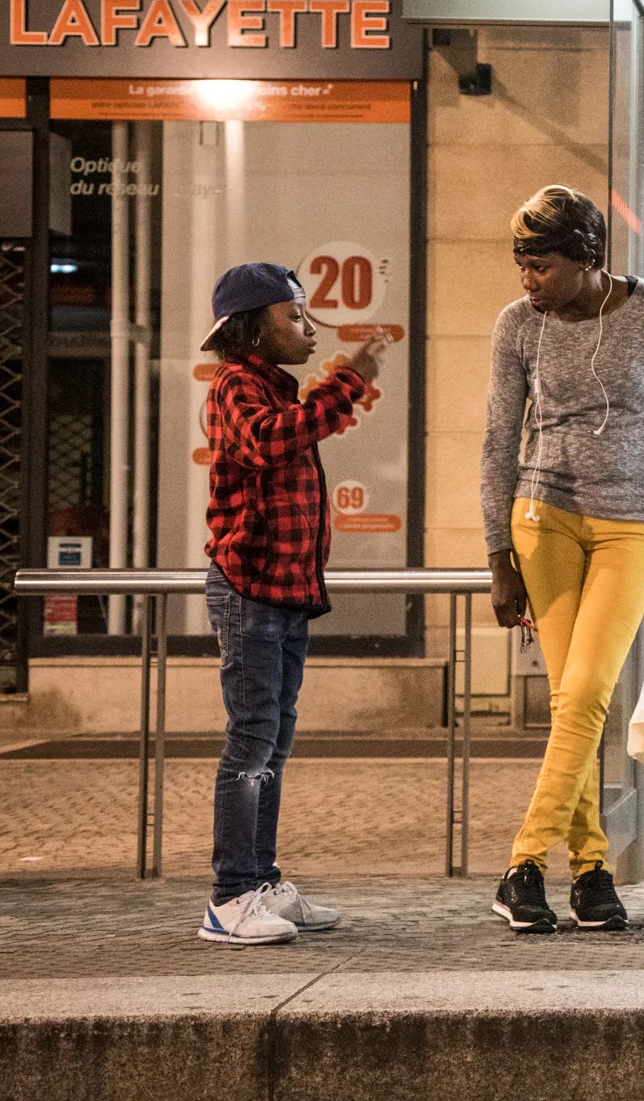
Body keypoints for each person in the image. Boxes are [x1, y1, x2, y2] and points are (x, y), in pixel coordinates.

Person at [482, 184, 644, 933]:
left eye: (540, 265)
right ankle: (591, 873)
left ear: (586, 258)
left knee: (585, 693)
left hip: (629, 526)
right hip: (541, 521)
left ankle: (521, 861)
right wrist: (496, 554)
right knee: (573, 700)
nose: (527, 279)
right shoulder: (517, 326)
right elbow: (496, 442)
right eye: (521, 264)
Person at [197, 262, 386, 944]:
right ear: (252, 329)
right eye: (295, 317)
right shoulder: (233, 389)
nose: (309, 329)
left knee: (272, 740)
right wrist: (349, 382)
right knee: (250, 740)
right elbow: (278, 442)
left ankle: (261, 880)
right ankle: (229, 897)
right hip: (249, 592)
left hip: (284, 595)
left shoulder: (271, 388)